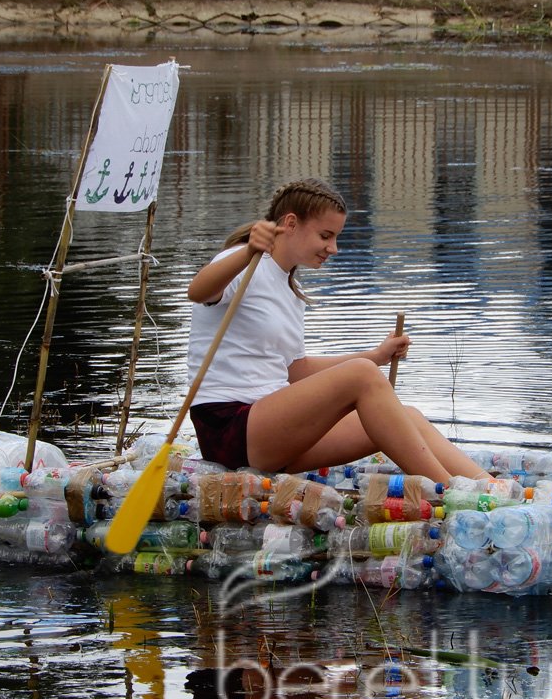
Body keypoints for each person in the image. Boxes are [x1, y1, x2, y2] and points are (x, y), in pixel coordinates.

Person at [185, 178, 492, 486]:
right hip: (230, 431)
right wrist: (249, 249)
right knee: (361, 375)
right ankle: (451, 492)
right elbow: (199, 291)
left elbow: (297, 370)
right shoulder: (244, 262)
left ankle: (490, 489)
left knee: (405, 415)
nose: (333, 248)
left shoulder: (292, 291)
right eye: (325, 235)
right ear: (290, 223)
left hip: (273, 432)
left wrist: (376, 356)